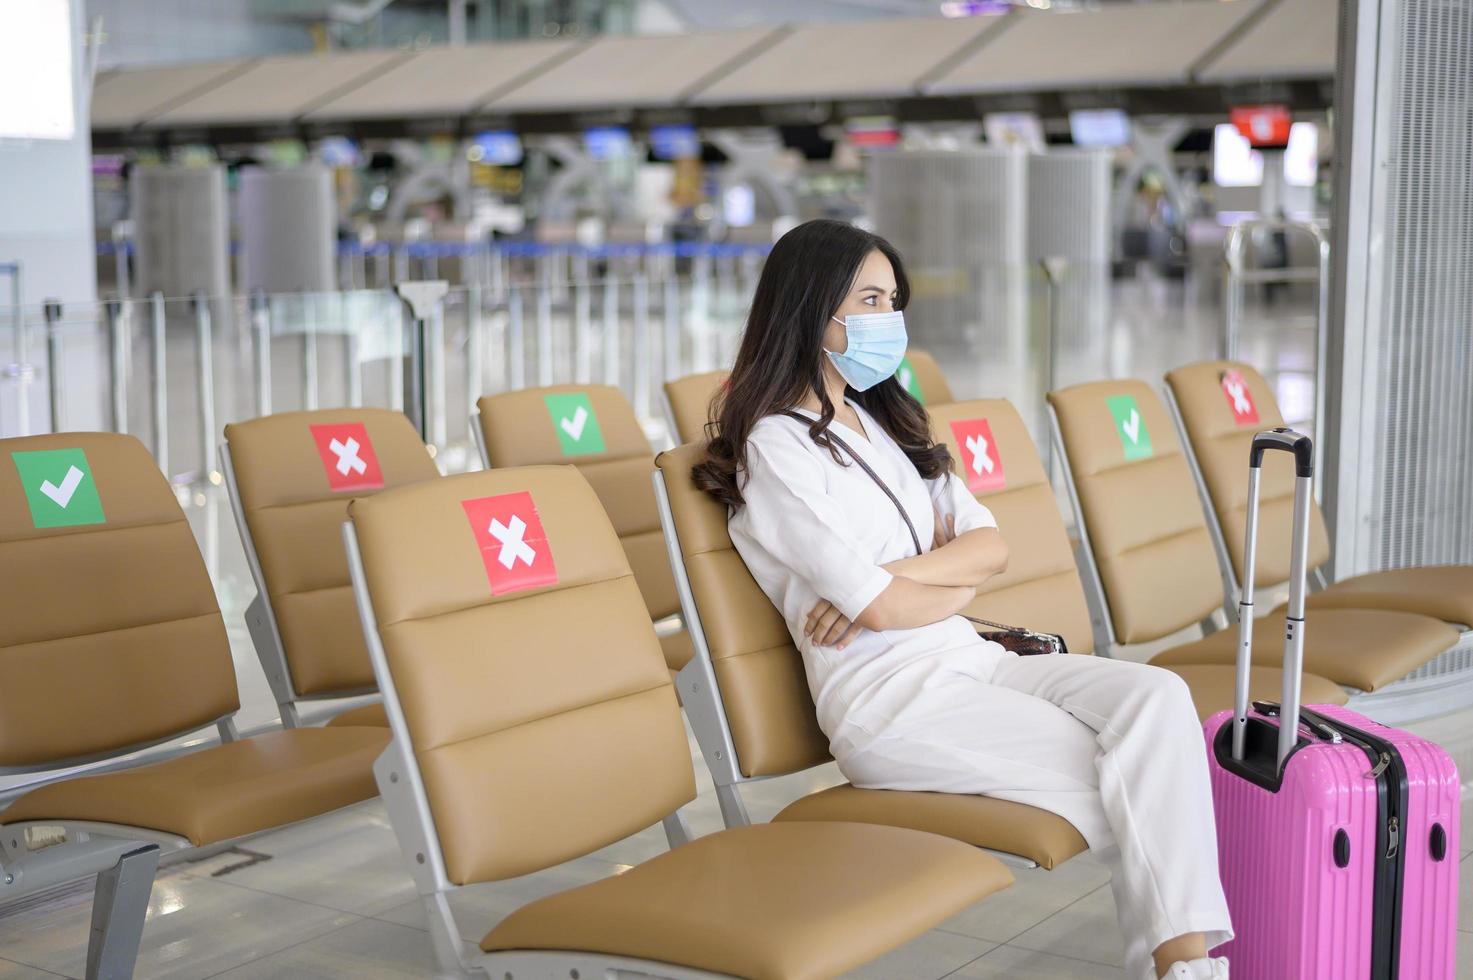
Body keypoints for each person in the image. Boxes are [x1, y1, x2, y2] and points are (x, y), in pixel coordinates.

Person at [693, 219, 1233, 980]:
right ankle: (1188, 969)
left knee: (1156, 702)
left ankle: (1183, 967)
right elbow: (883, 610)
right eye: (870, 300)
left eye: (892, 299)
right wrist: (926, 581)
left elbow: (991, 547)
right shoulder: (776, 447)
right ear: (813, 310)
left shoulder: (886, 419)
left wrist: (900, 579)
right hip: (893, 701)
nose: (889, 319)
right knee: (1145, 780)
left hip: (971, 662)